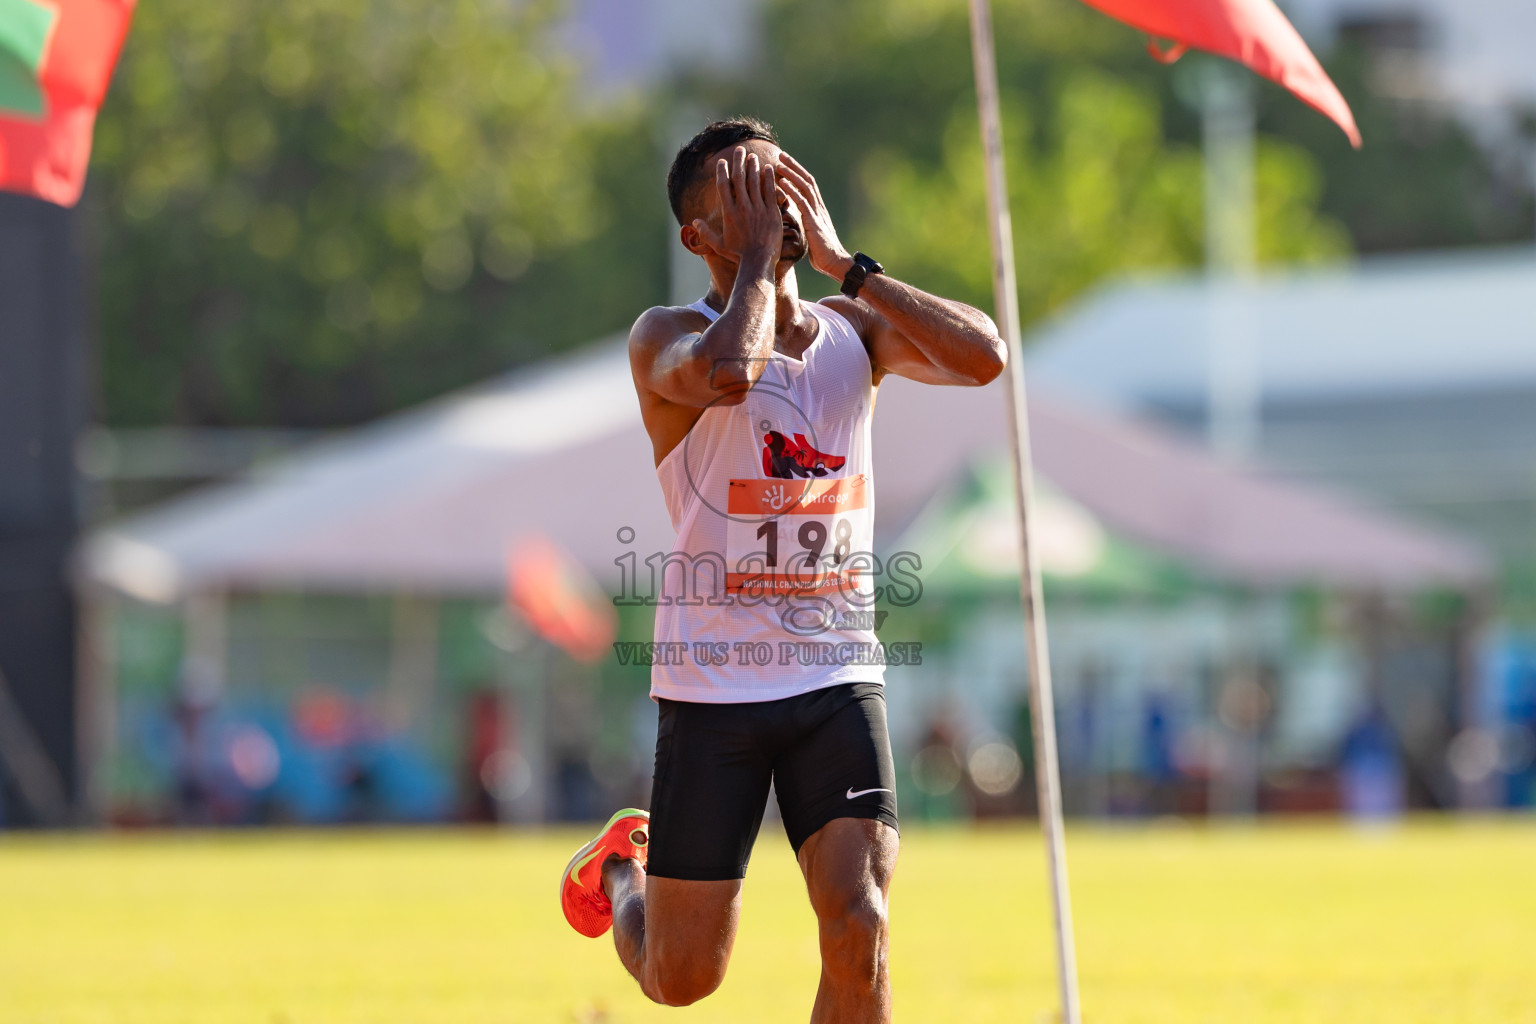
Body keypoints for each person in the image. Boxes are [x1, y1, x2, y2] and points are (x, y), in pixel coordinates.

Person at [558, 117, 1006, 1022]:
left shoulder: (856, 332)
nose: (777, 203)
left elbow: (985, 356)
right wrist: (762, 259)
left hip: (835, 674)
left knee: (860, 923)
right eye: (747, 192)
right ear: (698, 236)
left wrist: (850, 268)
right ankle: (619, 872)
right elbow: (732, 370)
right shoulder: (666, 336)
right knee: (684, 978)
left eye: (784, 180)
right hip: (713, 685)